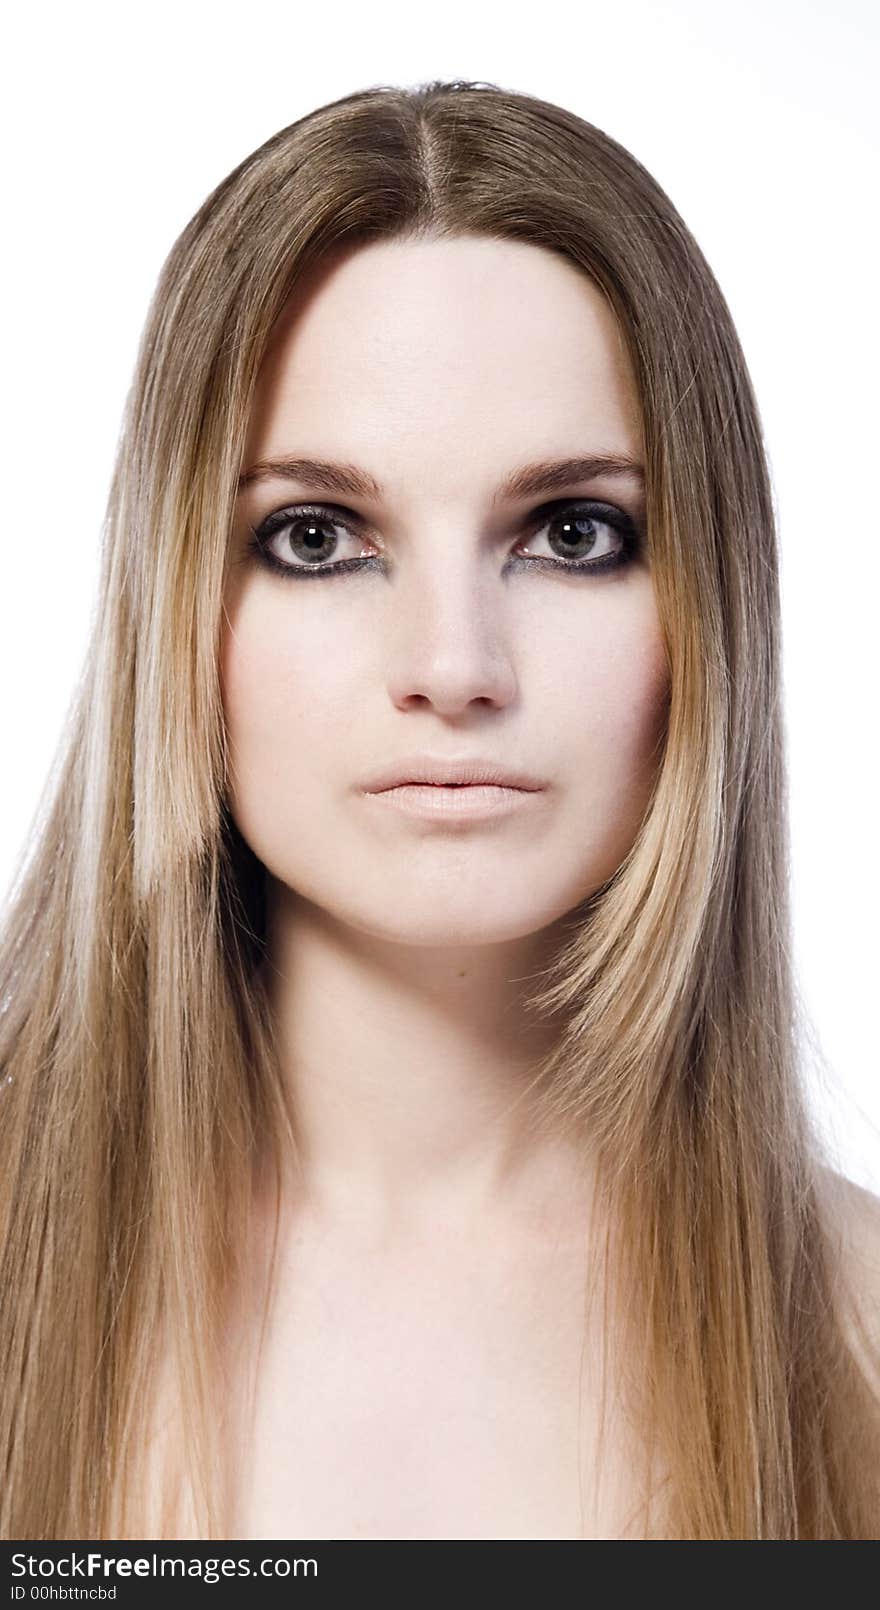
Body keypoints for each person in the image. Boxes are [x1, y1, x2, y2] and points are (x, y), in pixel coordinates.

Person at [0, 79, 878, 1543]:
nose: (454, 666)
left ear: (708, 611)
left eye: (573, 534)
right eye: (320, 536)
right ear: (177, 610)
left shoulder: (857, 1339)